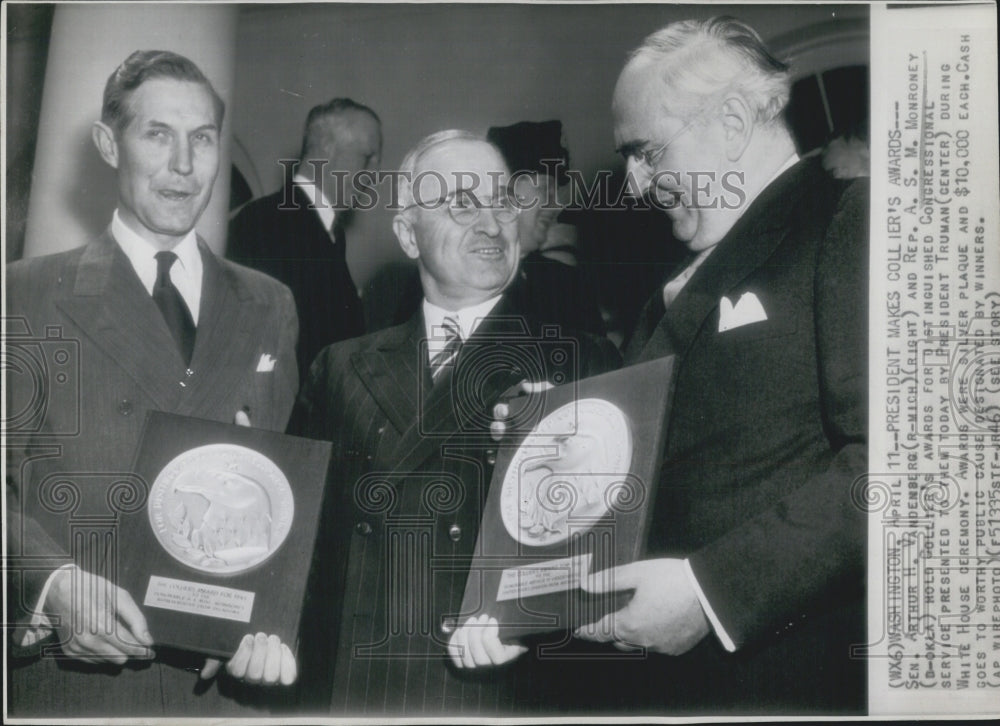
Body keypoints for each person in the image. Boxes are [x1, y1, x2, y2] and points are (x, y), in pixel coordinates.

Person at [471, 16, 868, 715]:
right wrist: (559, 437)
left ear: (735, 120)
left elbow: (892, 473)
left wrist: (712, 592)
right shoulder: (672, 284)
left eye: (647, 152)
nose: (633, 183)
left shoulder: (850, 221)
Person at [6, 50, 300, 717]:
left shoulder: (269, 303)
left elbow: (280, 493)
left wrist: (274, 620)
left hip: (217, 691)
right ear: (110, 144)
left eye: (201, 139)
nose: (185, 166)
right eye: (157, 134)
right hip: (71, 686)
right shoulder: (24, 293)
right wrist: (49, 585)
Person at [288, 130, 621, 715]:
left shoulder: (580, 361)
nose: (493, 225)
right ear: (406, 234)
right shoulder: (339, 366)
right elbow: (296, 540)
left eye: (503, 203)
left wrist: (531, 621)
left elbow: (606, 553)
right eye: (462, 204)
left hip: (499, 688)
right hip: (352, 685)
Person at [228, 98, 381, 380]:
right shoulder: (267, 224)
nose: (374, 176)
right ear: (326, 149)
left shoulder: (327, 233)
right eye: (367, 158)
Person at [486, 120, 605, 336]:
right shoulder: (461, 278)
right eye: (544, 190)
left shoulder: (568, 284)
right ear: (504, 193)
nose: (555, 205)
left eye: (555, 192)